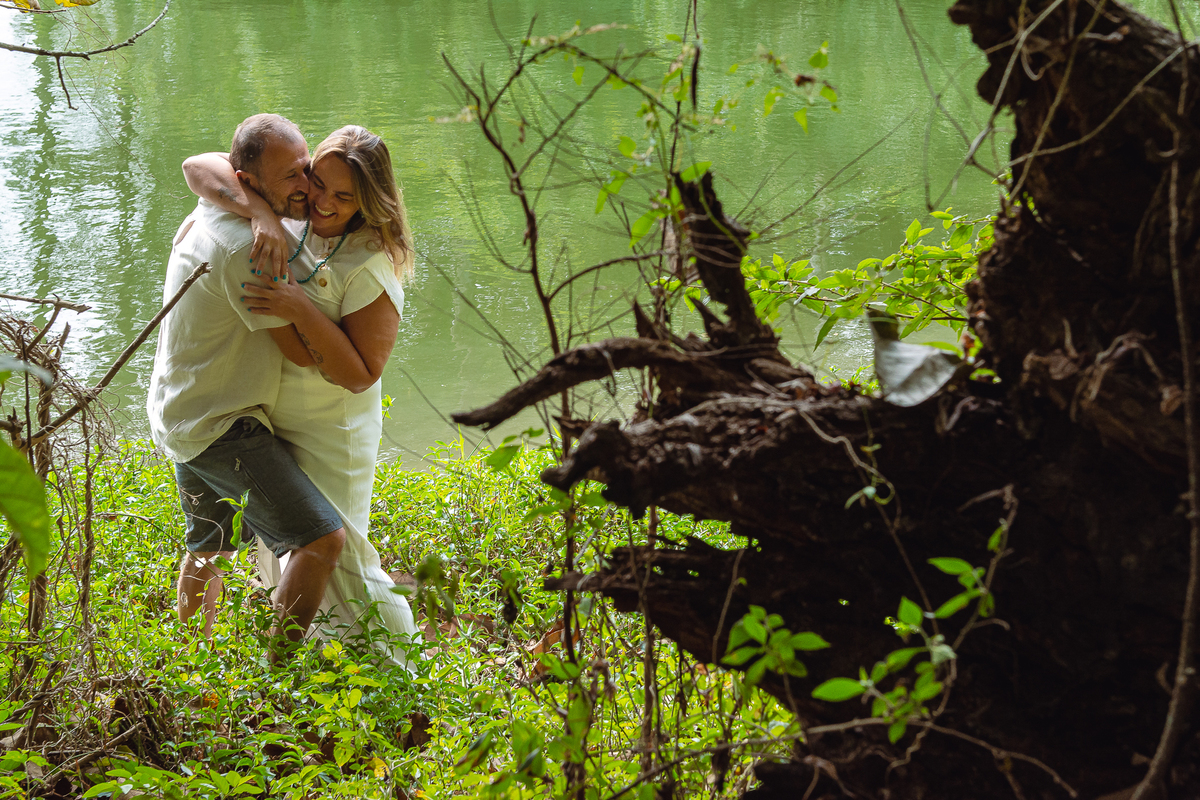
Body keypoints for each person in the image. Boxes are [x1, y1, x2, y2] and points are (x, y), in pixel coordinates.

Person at [182, 125, 419, 668]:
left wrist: (300, 308)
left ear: (370, 201)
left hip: (332, 425)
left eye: (343, 197)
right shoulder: (290, 214)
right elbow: (199, 163)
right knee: (293, 542)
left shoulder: (370, 263)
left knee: (340, 549)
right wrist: (262, 214)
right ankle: (318, 657)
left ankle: (395, 663)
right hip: (273, 418)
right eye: (318, 183)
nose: (323, 203)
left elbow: (361, 374)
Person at [148, 113, 347, 661]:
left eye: (306, 168)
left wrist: (266, 210)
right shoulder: (247, 251)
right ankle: (272, 669)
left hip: (180, 405)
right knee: (321, 540)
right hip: (220, 424)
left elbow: (199, 163)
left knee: (210, 546)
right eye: (290, 178)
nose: (306, 186)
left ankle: (192, 666)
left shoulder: (219, 201)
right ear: (248, 181)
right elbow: (298, 353)